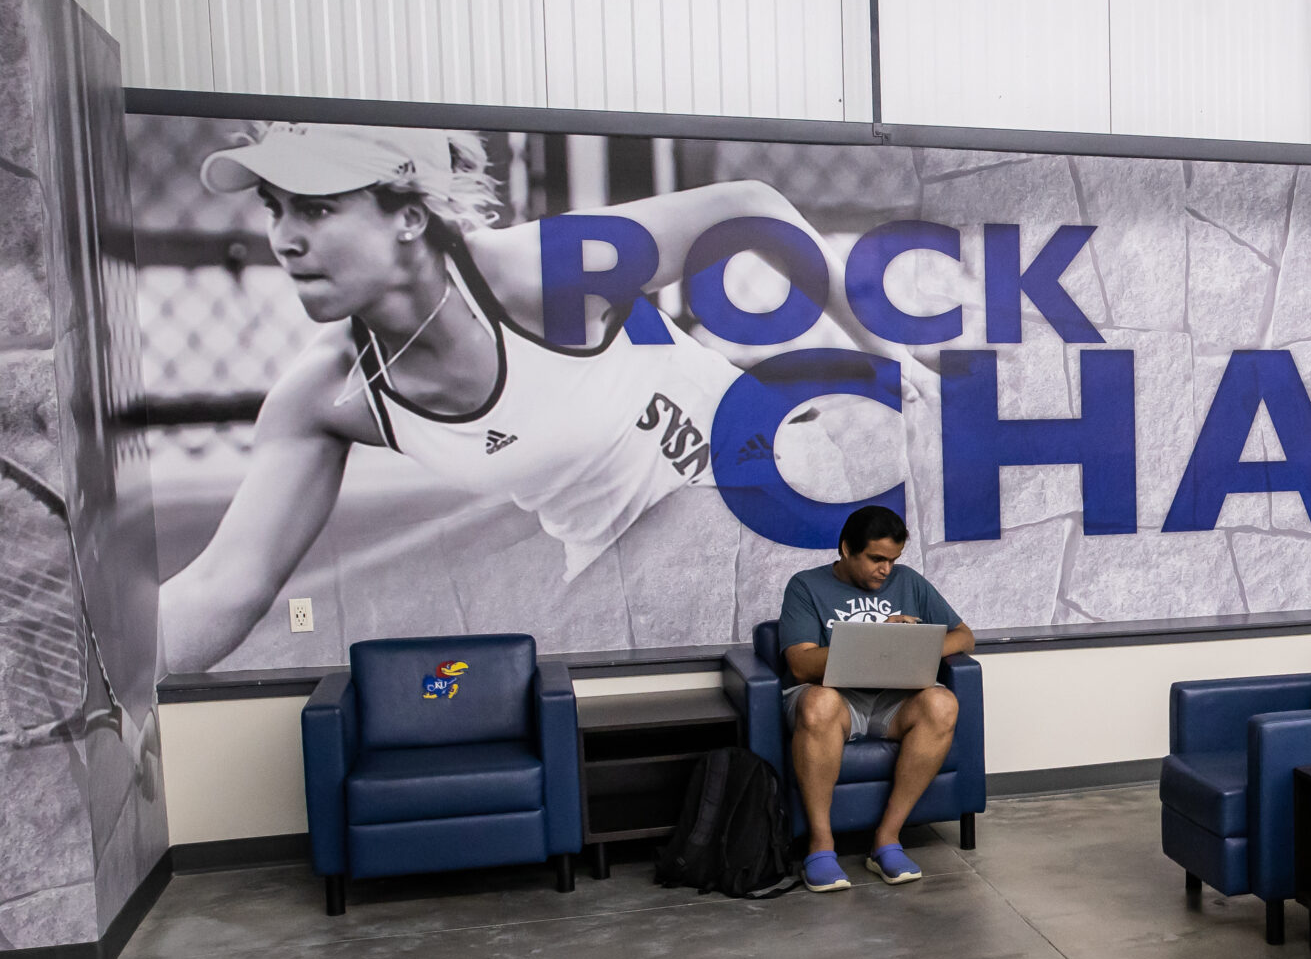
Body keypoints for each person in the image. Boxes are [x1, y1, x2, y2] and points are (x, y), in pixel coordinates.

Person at [160, 121, 897, 674]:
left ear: (408, 216)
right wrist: (129, 688)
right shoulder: (329, 393)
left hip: (764, 490)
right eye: (274, 208)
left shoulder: (536, 273)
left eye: (316, 210)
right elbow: (223, 586)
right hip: (628, 572)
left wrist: (896, 365)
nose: (285, 239)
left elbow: (747, 205)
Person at [776, 504, 973, 889]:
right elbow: (799, 664)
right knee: (819, 704)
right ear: (847, 549)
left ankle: (886, 840)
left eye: (893, 560)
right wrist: (876, 638)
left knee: (942, 703)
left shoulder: (908, 581)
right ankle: (821, 846)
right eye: (876, 559)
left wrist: (910, 644)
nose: (886, 569)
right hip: (836, 702)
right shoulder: (806, 585)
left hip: (894, 702)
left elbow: (964, 636)